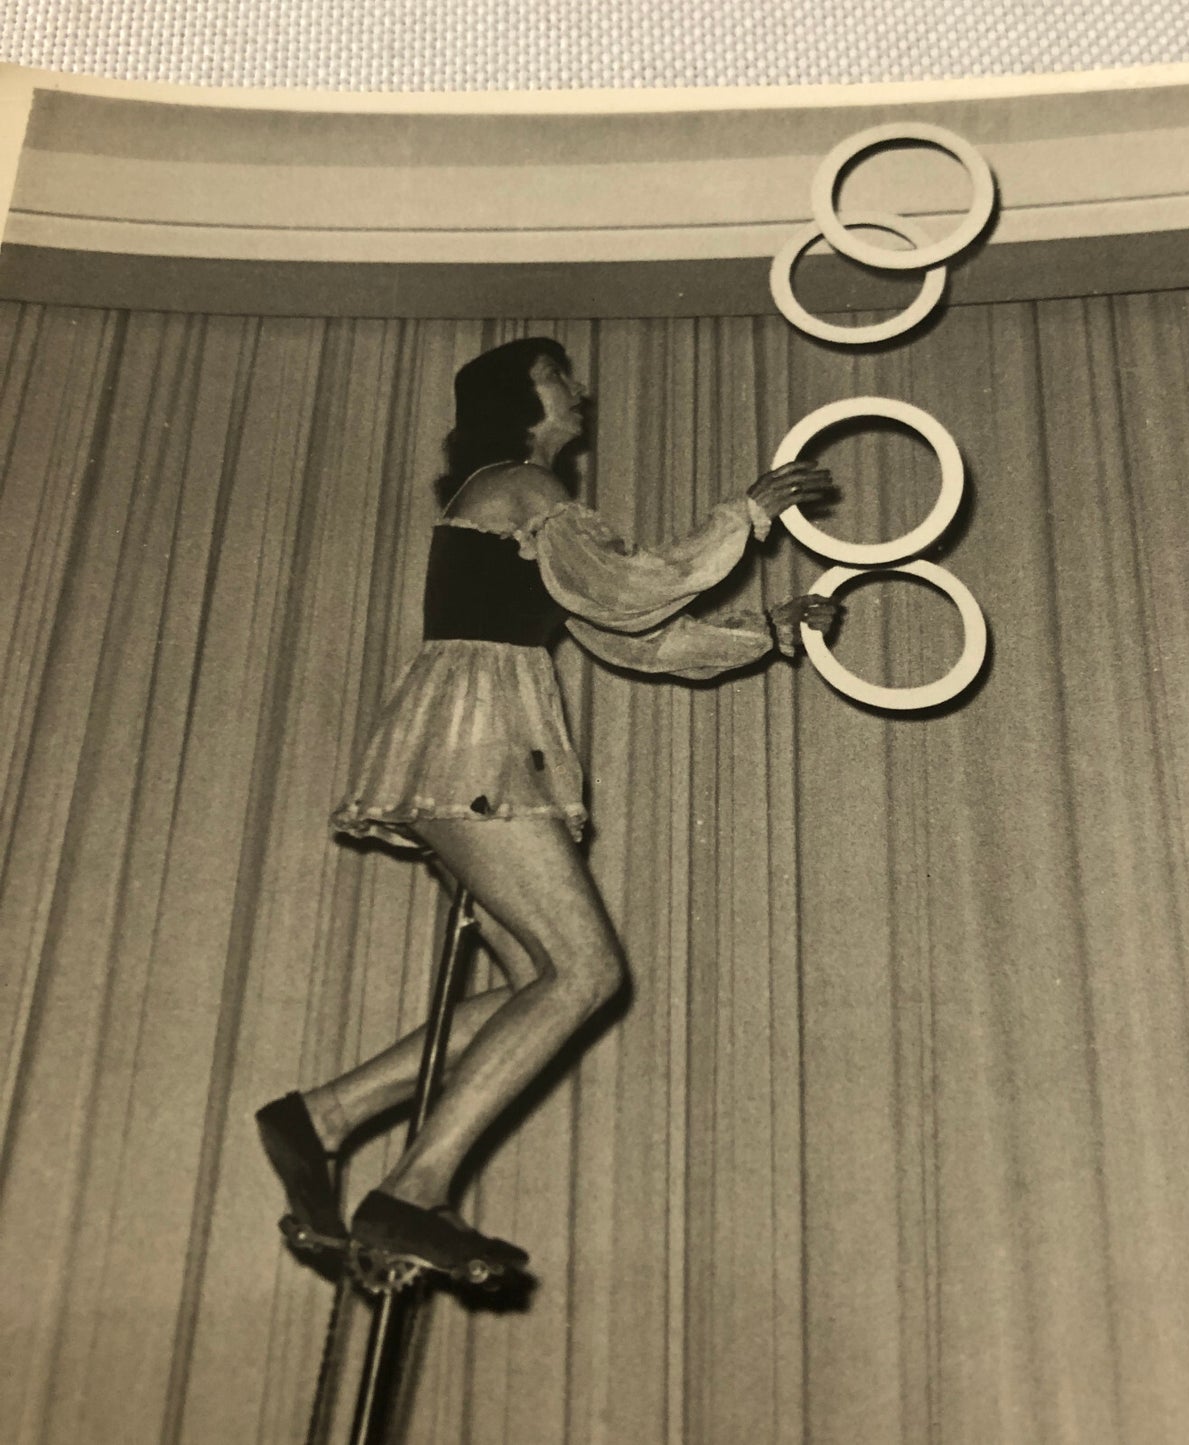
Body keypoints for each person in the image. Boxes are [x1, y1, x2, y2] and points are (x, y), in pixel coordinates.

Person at [256, 336, 838, 1282]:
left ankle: (320, 1116)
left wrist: (762, 634)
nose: (581, 388)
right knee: (585, 970)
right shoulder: (522, 490)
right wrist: (746, 513)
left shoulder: (521, 508)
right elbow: (629, 586)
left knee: (536, 978)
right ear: (519, 398)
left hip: (464, 746)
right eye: (560, 375)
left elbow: (631, 639)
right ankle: (413, 1191)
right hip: (477, 746)